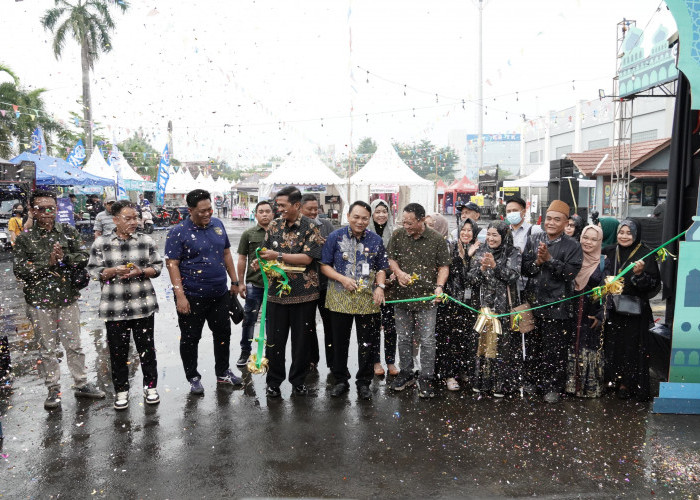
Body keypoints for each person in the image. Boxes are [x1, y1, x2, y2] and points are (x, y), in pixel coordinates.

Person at [13, 190, 105, 410]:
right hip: (39, 301)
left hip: (67, 298)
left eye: (51, 208)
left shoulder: (68, 232)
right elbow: (20, 269)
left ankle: (81, 383)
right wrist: (48, 262)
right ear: (32, 210)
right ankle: (53, 388)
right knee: (47, 348)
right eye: (41, 208)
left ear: (56, 209)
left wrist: (65, 258)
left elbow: (84, 257)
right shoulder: (25, 238)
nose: (46, 212)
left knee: (74, 345)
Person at [164, 189, 243, 395]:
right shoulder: (177, 232)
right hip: (191, 296)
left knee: (222, 333)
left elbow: (226, 252)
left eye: (210, 209)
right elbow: (172, 264)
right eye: (202, 211)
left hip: (219, 293)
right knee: (190, 338)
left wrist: (234, 280)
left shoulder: (218, 225)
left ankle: (223, 371)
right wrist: (180, 296)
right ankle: (193, 377)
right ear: (190, 210)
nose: (208, 214)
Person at [88, 200, 163, 410]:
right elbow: (94, 271)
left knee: (146, 350)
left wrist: (142, 271)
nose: (133, 222)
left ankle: (151, 387)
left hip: (143, 306)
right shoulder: (101, 243)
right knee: (118, 353)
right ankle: (121, 391)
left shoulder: (146, 240)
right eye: (127, 218)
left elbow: (157, 267)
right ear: (115, 220)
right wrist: (112, 272)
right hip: (114, 308)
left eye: (135, 218)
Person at [258, 186, 324, 398]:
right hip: (277, 294)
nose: (279, 210)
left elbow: (307, 258)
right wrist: (260, 261)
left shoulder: (311, 227)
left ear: (296, 205)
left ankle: (298, 381)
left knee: (301, 342)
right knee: (274, 341)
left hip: (304, 295)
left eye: (283, 206)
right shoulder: (274, 225)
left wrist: (278, 256)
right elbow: (265, 252)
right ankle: (273, 382)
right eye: (278, 205)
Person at [320, 201, 387, 400]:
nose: (360, 221)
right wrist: (342, 278)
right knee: (339, 342)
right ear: (348, 216)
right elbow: (324, 265)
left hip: (368, 300)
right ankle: (340, 379)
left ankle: (364, 382)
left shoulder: (376, 240)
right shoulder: (335, 237)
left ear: (370, 219)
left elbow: (382, 267)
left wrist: (380, 287)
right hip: (339, 298)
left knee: (367, 343)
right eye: (356, 217)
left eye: (365, 218)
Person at [521, 200, 583, 403]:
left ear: (566, 223)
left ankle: (552, 387)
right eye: (548, 218)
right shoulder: (533, 239)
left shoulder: (573, 245)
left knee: (554, 351)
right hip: (534, 303)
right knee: (532, 347)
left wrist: (549, 260)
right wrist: (537, 262)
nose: (551, 223)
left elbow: (569, 273)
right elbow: (525, 270)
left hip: (558, 307)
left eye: (557, 220)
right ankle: (532, 381)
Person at [388, 203, 450, 398]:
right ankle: (406, 373)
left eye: (410, 222)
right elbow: (391, 259)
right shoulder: (398, 236)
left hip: (427, 299)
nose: (406, 226)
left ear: (422, 220)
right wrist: (398, 273)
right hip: (402, 297)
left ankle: (426, 377)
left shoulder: (437, 239)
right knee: (404, 338)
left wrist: (439, 287)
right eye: (404, 222)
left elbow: (444, 267)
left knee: (427, 340)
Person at [602, 219, 660, 401]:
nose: (624, 236)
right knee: (613, 346)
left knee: (631, 348)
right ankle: (613, 380)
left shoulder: (645, 254)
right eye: (621, 232)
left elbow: (652, 286)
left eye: (629, 233)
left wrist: (639, 275)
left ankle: (629, 383)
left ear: (636, 235)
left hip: (634, 313)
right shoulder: (609, 251)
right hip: (612, 310)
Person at [467, 221, 522, 396]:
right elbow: (471, 279)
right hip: (484, 308)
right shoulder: (482, 250)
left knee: (503, 346)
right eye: (488, 234)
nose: (490, 238)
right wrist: (481, 269)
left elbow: (513, 276)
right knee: (483, 346)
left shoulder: (513, 252)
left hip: (504, 308)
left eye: (495, 235)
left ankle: (502, 385)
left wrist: (495, 267)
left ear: (504, 236)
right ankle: (483, 383)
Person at [436, 218, 481, 391]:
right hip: (451, 303)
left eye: (470, 230)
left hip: (470, 305)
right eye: (463, 229)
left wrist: (469, 258)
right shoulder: (451, 247)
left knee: (467, 340)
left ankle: (463, 370)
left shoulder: (480, 249)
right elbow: (451, 272)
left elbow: (474, 279)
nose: (466, 233)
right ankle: (448, 374)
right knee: (449, 340)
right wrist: (462, 257)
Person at [565, 224, 605, 398]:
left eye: (593, 239)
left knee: (587, 348)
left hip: (589, 315)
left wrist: (600, 315)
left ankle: (587, 388)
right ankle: (568, 386)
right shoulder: (572, 256)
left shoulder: (603, 262)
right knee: (568, 345)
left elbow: (607, 292)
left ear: (599, 241)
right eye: (585, 238)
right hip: (569, 312)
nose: (588, 242)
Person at [235, 200, 274, 367]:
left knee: (272, 321)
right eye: (261, 211)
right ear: (256, 214)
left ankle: (271, 352)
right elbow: (242, 259)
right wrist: (240, 282)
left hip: (275, 286)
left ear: (273, 214)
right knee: (249, 319)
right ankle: (245, 351)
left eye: (267, 211)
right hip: (254, 285)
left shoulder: (279, 233)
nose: (265, 214)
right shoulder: (249, 234)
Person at [300, 193, 335, 371]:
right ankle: (311, 360)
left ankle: (333, 362)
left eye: (316, 209)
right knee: (307, 326)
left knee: (330, 324)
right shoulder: (296, 228)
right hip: (304, 285)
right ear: (300, 209)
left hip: (325, 284)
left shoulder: (327, 225)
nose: (314, 212)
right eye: (309, 209)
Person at [368, 199, 398, 377]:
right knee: (372, 325)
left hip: (392, 287)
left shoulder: (394, 233)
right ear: (372, 214)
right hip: (371, 285)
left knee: (391, 326)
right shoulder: (366, 234)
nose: (381, 215)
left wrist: (396, 272)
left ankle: (391, 361)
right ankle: (376, 361)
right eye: (377, 211)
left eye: (384, 211)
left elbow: (399, 256)